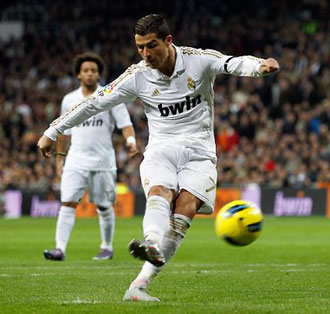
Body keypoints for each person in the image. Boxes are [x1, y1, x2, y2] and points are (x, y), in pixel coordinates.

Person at [37, 14, 279, 301]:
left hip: (200, 153)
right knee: (160, 192)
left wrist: (259, 66)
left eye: (151, 46)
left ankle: (138, 287)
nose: (145, 54)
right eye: (140, 47)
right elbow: (95, 102)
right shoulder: (137, 75)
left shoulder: (197, 60)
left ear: (168, 40)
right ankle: (151, 241)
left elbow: (231, 62)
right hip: (161, 150)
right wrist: (53, 130)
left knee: (184, 212)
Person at [43, 52, 139, 261]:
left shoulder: (111, 96)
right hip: (75, 160)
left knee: (104, 206)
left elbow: (125, 125)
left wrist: (131, 143)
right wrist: (60, 159)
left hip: (103, 161)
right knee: (68, 202)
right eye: (86, 70)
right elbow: (64, 131)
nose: (89, 74)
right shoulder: (69, 100)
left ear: (99, 74)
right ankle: (59, 248)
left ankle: (106, 247)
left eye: (93, 71)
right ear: (78, 74)